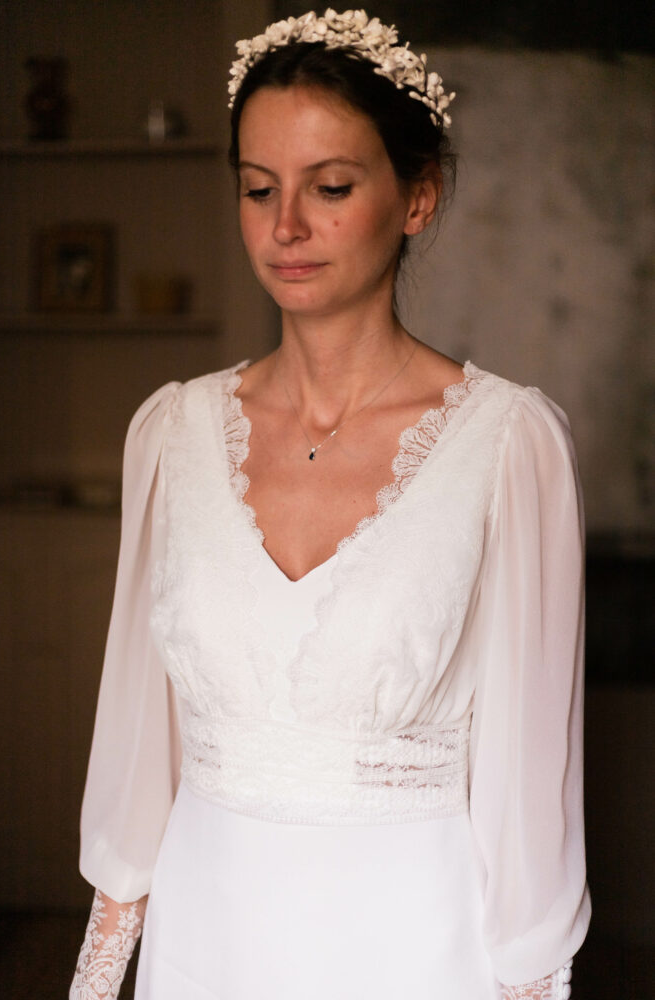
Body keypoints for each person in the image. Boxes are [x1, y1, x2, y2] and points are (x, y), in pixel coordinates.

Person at [70, 10, 590, 999]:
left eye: (331, 187)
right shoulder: (170, 433)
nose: (286, 227)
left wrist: (530, 975)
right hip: (204, 941)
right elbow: (136, 753)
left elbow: (529, 787)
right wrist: (98, 980)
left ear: (417, 197)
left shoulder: (509, 445)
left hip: (414, 946)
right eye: (258, 188)